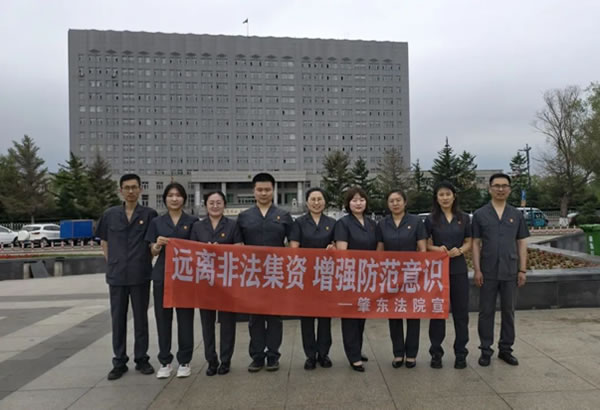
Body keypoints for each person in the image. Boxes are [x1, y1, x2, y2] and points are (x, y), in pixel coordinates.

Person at [96, 173, 157, 380]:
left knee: (141, 319)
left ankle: (142, 358)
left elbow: (151, 244)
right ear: (120, 190)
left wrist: (147, 257)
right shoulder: (110, 214)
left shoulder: (149, 214)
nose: (131, 191)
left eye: (134, 187)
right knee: (118, 319)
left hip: (140, 274)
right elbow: (104, 241)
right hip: (117, 275)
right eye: (127, 188)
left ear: (140, 189)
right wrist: (112, 262)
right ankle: (119, 361)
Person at [236, 173, 293, 373]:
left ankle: (273, 356)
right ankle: (257, 356)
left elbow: (293, 246)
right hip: (252, 274)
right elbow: (237, 246)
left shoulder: (284, 216)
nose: (263, 193)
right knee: (255, 317)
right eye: (259, 189)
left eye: (267, 189)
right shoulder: (244, 217)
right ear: (254, 191)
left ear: (273, 190)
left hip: (276, 274)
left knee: (274, 317)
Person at [472, 173, 529, 367]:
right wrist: (477, 269)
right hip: (487, 270)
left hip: (510, 270)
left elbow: (521, 242)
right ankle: (485, 350)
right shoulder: (480, 214)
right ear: (489, 189)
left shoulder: (516, 215)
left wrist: (522, 270)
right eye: (496, 186)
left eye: (504, 186)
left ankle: (506, 349)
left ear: (510, 190)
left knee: (508, 311)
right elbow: (475, 243)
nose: (500, 189)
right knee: (485, 312)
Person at [145, 182, 197, 379]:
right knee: (162, 318)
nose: (174, 199)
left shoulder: (192, 221)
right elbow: (151, 251)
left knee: (186, 319)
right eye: (170, 195)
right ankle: (165, 361)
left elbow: (198, 248)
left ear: (184, 199)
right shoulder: (157, 222)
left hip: (185, 276)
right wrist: (158, 245)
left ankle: (184, 360)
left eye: (178, 195)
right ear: (165, 199)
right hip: (163, 275)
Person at [190, 191, 243, 376]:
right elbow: (191, 251)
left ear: (224, 205)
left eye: (218, 202)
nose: (215, 206)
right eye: (211, 202)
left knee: (228, 323)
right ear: (206, 205)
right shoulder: (197, 226)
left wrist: (221, 250)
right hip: (205, 281)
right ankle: (211, 360)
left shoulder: (233, 225)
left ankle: (226, 360)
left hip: (227, 281)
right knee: (207, 323)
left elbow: (240, 248)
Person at [376, 189, 427, 369]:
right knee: (394, 313)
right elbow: (380, 249)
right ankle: (398, 353)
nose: (395, 204)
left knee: (413, 313)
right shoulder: (382, 224)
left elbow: (422, 249)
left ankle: (411, 354)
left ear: (405, 202)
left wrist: (419, 271)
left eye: (398, 200)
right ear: (388, 204)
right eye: (392, 201)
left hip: (412, 275)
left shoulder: (416, 222)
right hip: (391, 275)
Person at [425, 181, 472, 370]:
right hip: (438, 270)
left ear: (454, 196)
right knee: (437, 312)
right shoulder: (431, 219)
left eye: (448, 194)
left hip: (458, 269)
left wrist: (460, 250)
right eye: (441, 195)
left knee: (461, 313)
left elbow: (469, 241)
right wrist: (437, 249)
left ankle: (461, 353)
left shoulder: (464, 218)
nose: (445, 198)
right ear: (436, 198)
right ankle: (436, 353)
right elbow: (425, 244)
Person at [289, 188, 336, 370]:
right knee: (307, 318)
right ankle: (310, 355)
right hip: (306, 277)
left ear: (324, 202)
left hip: (325, 276)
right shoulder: (299, 223)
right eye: (313, 199)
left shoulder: (332, 223)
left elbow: (338, 247)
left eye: (319, 199)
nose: (316, 203)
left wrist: (333, 249)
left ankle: (323, 354)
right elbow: (294, 249)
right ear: (307, 202)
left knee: (325, 317)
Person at [334, 187, 377, 372]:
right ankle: (353, 356)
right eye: (354, 200)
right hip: (350, 275)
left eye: (361, 199)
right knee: (350, 316)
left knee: (362, 313)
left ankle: (357, 349)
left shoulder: (372, 223)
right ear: (348, 203)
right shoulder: (343, 224)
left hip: (368, 275)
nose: (358, 203)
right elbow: (342, 252)